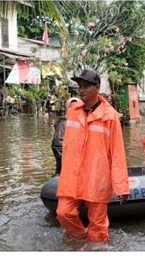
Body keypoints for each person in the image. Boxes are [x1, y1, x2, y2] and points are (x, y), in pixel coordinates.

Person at [56, 69, 130, 243]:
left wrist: (121, 186)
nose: (81, 90)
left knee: (98, 227)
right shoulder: (73, 112)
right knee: (63, 213)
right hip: (73, 177)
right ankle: (81, 238)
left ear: (97, 87)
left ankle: (96, 248)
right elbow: (67, 146)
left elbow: (117, 153)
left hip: (97, 178)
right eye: (80, 86)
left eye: (86, 86)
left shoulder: (110, 116)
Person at [51, 97, 80, 176]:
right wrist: (70, 161)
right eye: (72, 107)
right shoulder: (64, 124)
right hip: (66, 170)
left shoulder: (78, 123)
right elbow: (57, 145)